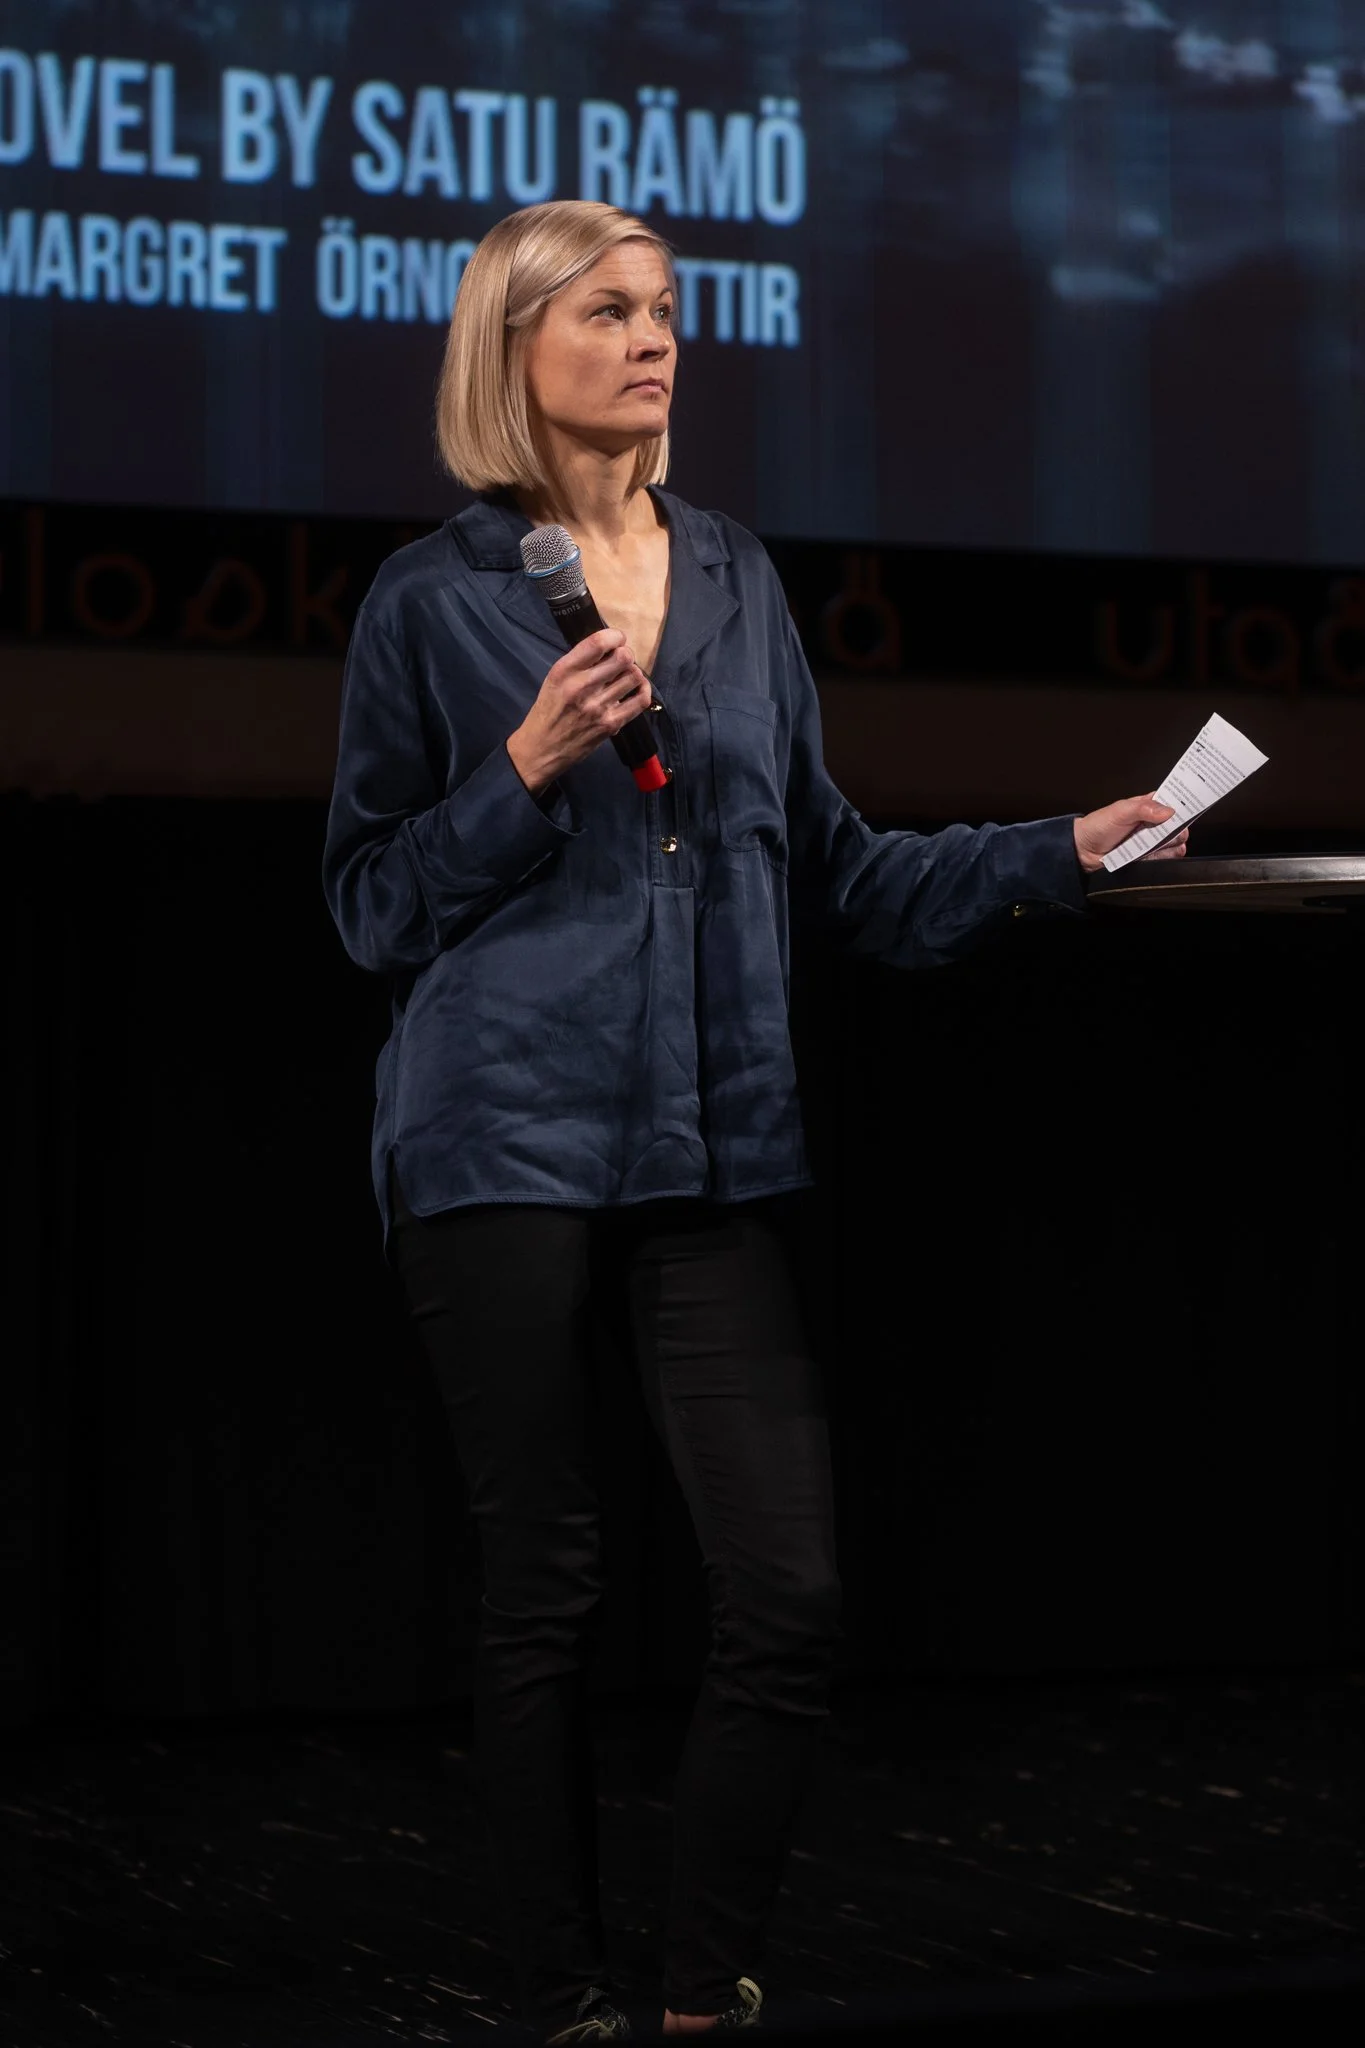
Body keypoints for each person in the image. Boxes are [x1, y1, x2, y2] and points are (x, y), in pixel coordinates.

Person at [321, 199, 1186, 2043]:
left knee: (786, 1595)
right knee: (544, 1592)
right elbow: (370, 907)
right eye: (610, 310)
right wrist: (524, 769)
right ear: (515, 346)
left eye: (667, 309)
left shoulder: (733, 578)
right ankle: (565, 2001)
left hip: (714, 1142)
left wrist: (1060, 851)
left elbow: (847, 876)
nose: (655, 340)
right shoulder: (434, 599)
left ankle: (703, 1992)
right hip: (501, 1146)